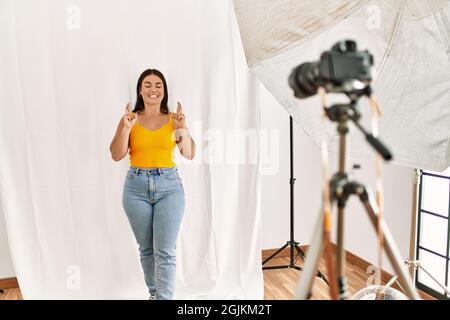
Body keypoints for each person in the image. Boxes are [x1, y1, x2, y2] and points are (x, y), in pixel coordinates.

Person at [109, 69, 196, 300]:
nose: (153, 89)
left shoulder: (173, 119)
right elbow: (116, 155)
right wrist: (126, 128)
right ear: (140, 89)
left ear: (164, 91)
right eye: (147, 85)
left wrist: (183, 128)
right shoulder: (131, 118)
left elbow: (189, 154)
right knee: (147, 250)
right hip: (135, 188)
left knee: (165, 251)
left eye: (158, 85)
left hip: (169, 187)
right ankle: (155, 295)